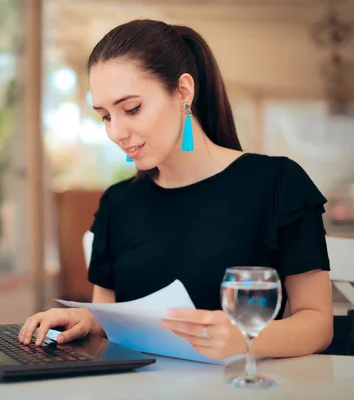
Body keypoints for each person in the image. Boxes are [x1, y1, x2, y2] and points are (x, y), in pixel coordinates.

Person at [18, 19, 334, 360]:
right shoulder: (117, 203)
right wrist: (87, 320)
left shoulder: (276, 183)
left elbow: (318, 324)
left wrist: (243, 339)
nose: (116, 132)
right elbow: (109, 318)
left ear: (183, 92)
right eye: (105, 116)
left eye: (131, 108)